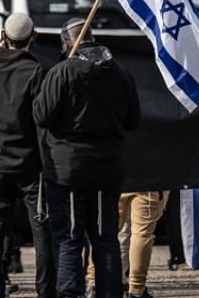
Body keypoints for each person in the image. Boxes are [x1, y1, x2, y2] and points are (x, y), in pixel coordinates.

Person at [34, 17, 139, 298]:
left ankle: (70, 294)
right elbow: (133, 120)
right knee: (105, 240)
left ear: (66, 42)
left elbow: (41, 115)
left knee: (69, 239)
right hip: (106, 168)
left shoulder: (62, 72)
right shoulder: (120, 73)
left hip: (68, 170)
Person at [0, 13, 55, 298]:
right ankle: (46, 290)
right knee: (41, 230)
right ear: (33, 37)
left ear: (3, 37)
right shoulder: (35, 71)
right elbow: (42, 116)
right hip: (30, 163)